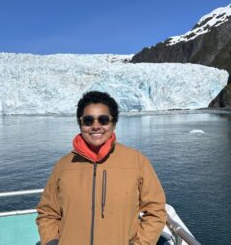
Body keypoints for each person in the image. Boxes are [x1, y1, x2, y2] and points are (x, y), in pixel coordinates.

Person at [36, 91, 166, 245]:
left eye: (103, 120)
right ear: (80, 123)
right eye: (88, 120)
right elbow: (47, 213)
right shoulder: (63, 166)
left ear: (113, 123)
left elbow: (156, 211)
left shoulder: (137, 162)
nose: (96, 126)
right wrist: (51, 241)